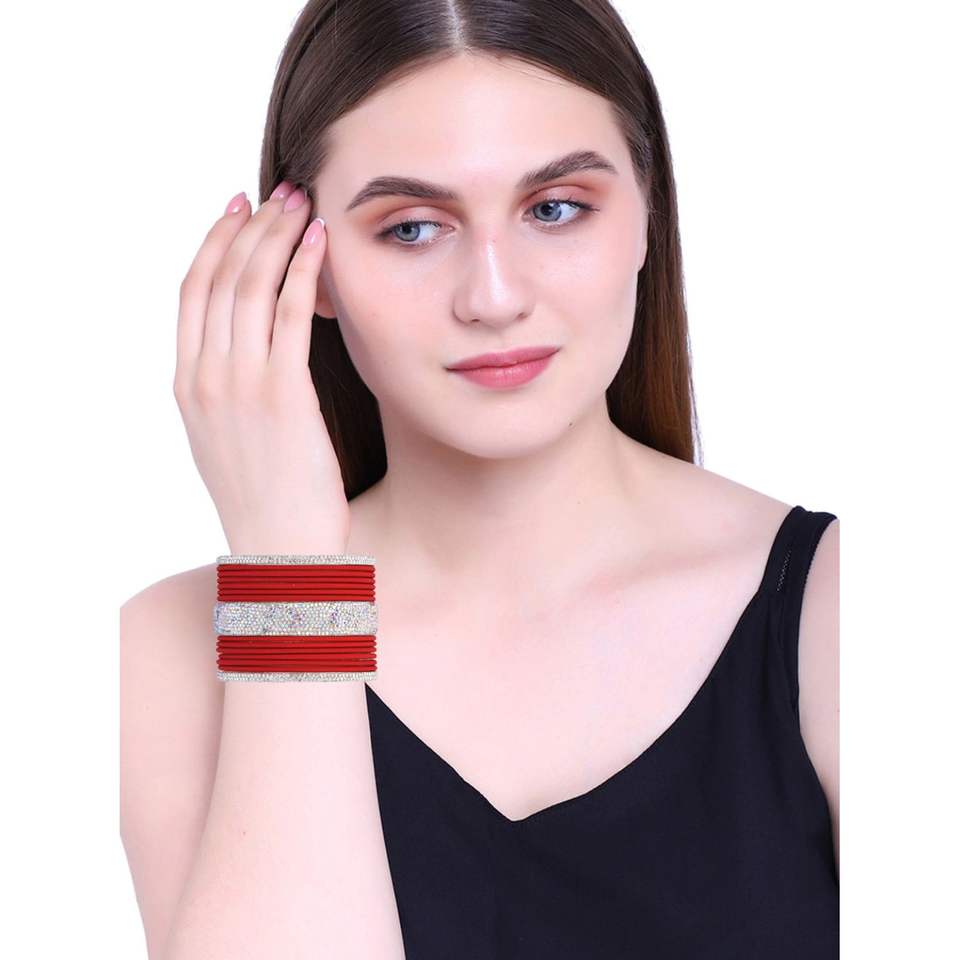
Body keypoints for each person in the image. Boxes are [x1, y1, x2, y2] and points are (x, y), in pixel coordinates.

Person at [120, 2, 840, 957]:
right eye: (413, 228)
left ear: (647, 217)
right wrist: (289, 568)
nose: (494, 298)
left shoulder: (844, 608)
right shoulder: (167, 652)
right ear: (304, 265)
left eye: (555, 209)